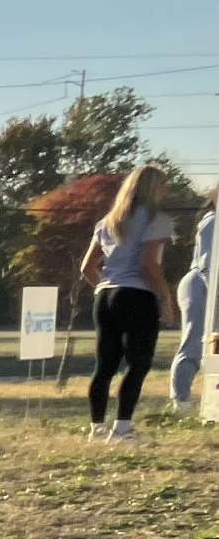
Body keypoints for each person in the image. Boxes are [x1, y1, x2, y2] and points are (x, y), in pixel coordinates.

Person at [78, 163, 179, 445]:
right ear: (154, 189)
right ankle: (122, 429)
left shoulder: (108, 221)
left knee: (105, 365)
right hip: (137, 296)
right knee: (138, 362)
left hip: (106, 295)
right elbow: (149, 264)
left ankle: (96, 428)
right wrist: (164, 297)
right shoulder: (155, 219)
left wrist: (103, 285)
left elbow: (87, 267)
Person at [168, 187, 215, 414]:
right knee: (194, 342)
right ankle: (182, 402)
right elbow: (209, 265)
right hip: (201, 287)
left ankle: (213, 403)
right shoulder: (213, 221)